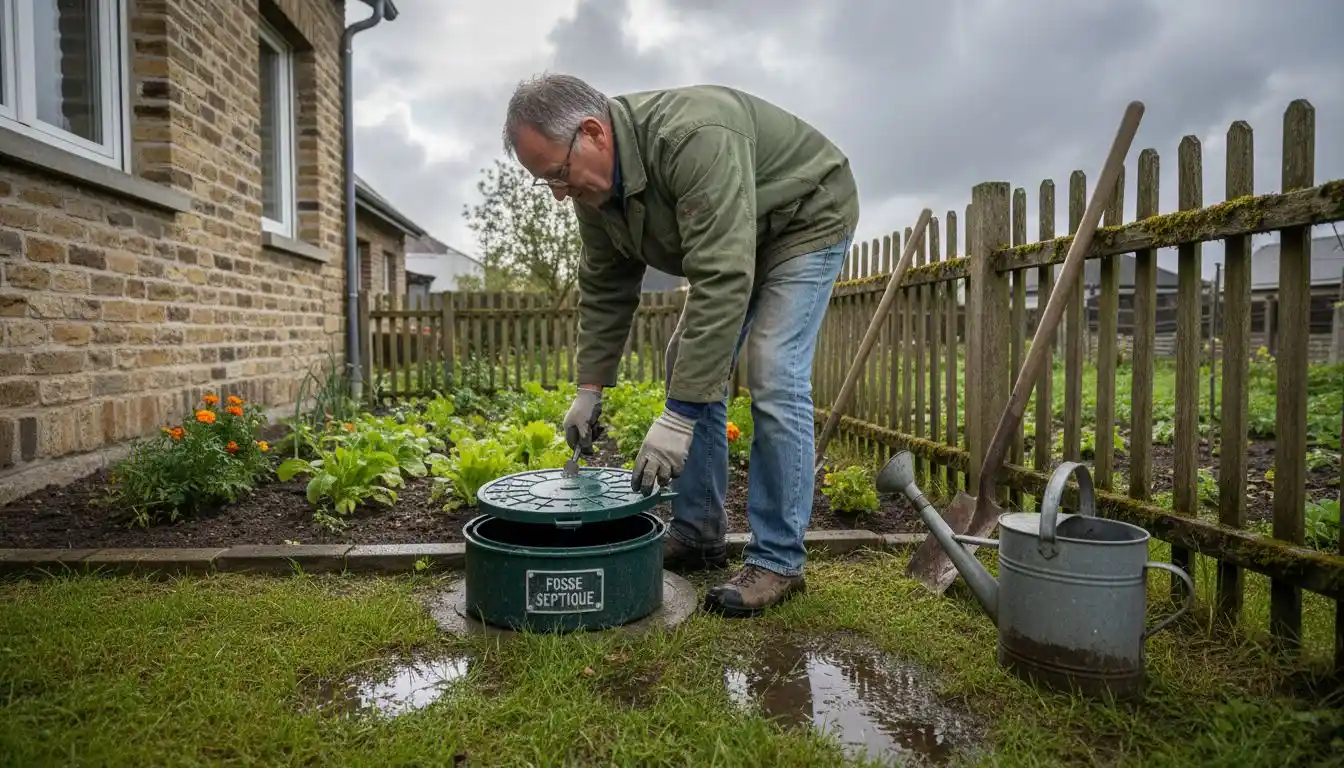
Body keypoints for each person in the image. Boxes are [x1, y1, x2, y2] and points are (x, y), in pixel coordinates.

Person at [501, 73, 859, 618]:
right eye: (544, 182)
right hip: (741, 234)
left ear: (594, 133)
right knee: (681, 357)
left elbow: (721, 277)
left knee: (772, 366)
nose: (557, 192)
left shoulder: (693, 138)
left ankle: (779, 560)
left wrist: (680, 416)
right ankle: (699, 534)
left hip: (804, 216)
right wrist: (589, 388)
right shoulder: (592, 192)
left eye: (558, 174)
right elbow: (605, 286)